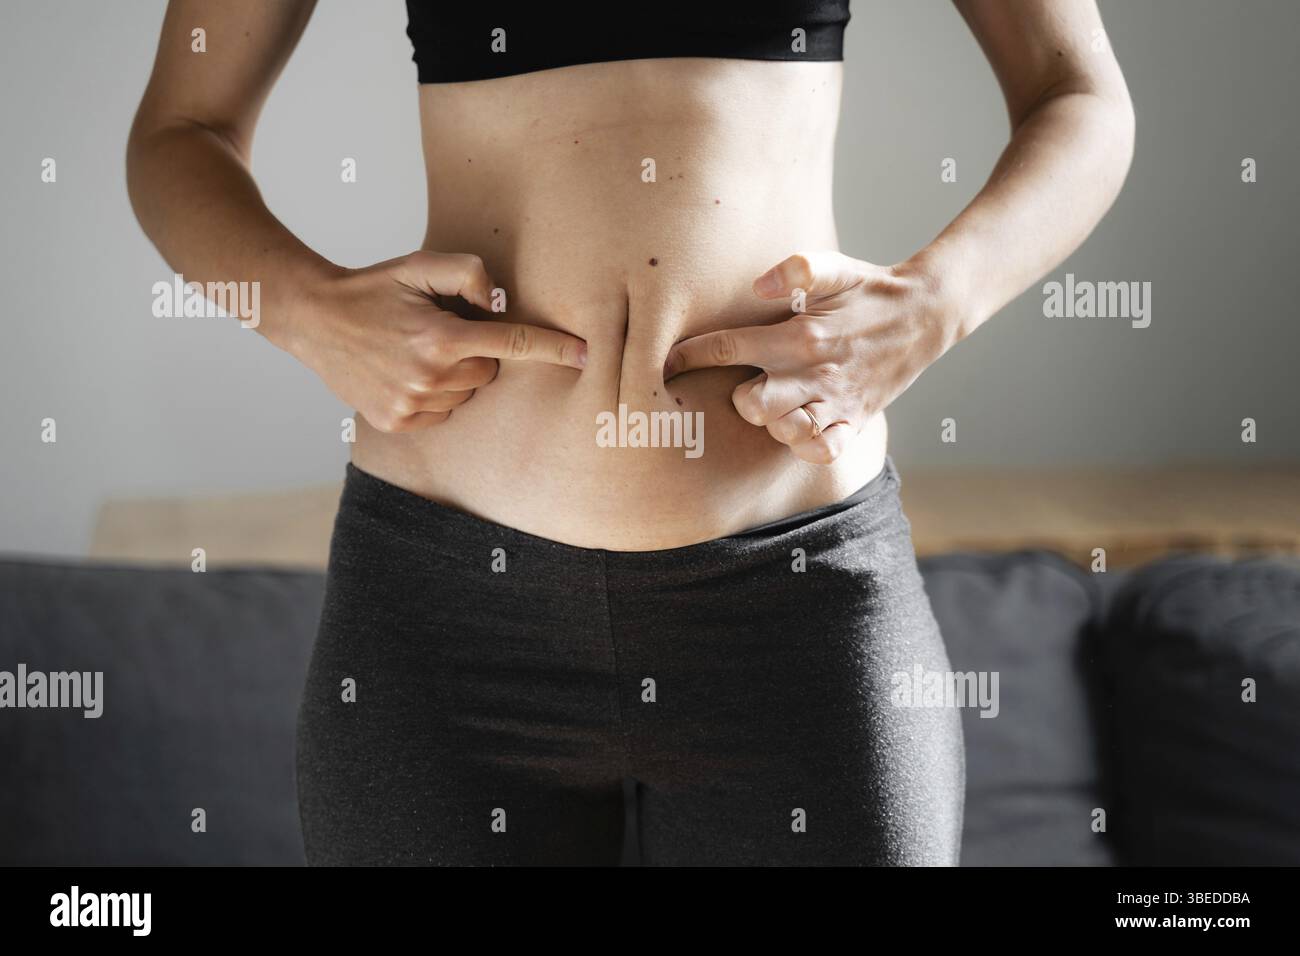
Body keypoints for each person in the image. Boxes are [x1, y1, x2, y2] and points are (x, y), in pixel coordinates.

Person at [127, 0, 1135, 865]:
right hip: (442, 615)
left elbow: (1079, 96)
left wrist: (931, 304)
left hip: (799, 601)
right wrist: (309, 309)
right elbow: (182, 126)